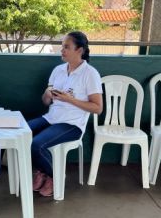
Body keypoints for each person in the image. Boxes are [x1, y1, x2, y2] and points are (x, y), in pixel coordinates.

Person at [28, 31, 103, 197]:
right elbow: (46, 102)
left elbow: (98, 108)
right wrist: (47, 93)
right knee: (22, 133)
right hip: (51, 118)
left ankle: (55, 177)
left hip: (72, 124)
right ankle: (44, 172)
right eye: (62, 47)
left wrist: (70, 100)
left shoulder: (90, 74)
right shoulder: (58, 70)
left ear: (80, 50)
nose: (62, 50)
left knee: (36, 144)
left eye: (66, 47)